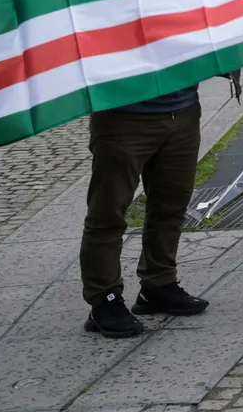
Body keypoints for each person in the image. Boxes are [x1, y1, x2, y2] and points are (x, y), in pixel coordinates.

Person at [79, 80, 208, 336]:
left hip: (183, 110)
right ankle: (103, 298)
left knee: (171, 205)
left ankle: (159, 283)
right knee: (108, 213)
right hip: (123, 116)